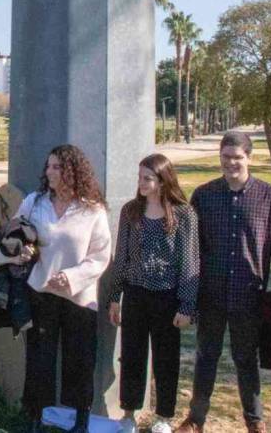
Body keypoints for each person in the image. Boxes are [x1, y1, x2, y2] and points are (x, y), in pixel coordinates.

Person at [177, 131, 271, 433]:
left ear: (250, 158)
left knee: (246, 361)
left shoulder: (270, 197)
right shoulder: (203, 195)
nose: (231, 163)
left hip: (249, 295)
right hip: (211, 294)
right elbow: (192, 250)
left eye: (237, 158)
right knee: (206, 358)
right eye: (225, 157)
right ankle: (195, 420)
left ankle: (255, 422)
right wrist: (188, 295)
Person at [1, 144, 112, 433]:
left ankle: (80, 420)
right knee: (40, 359)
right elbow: (12, 235)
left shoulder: (92, 210)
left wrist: (73, 277)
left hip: (79, 299)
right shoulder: (34, 202)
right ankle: (36, 417)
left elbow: (101, 255)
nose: (49, 172)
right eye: (48, 167)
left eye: (57, 167)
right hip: (40, 294)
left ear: (72, 171)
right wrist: (22, 251)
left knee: (80, 360)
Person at [108, 153, 199, 433]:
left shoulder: (183, 214)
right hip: (135, 293)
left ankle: (163, 417)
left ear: (163, 180)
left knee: (166, 358)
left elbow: (190, 260)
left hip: (167, 296)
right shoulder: (130, 211)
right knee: (132, 355)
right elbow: (121, 255)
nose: (142, 183)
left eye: (147, 178)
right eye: (139, 178)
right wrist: (115, 296)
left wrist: (186, 305)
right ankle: (128, 414)